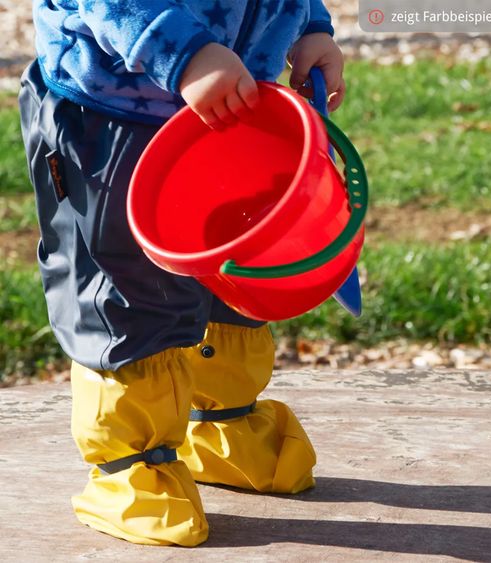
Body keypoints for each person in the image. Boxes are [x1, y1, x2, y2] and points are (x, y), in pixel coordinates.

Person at [19, 0, 345, 547]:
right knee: (126, 291)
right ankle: (130, 466)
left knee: (234, 265)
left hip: (233, 101)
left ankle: (221, 423)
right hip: (111, 112)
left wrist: (309, 24)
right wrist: (184, 52)